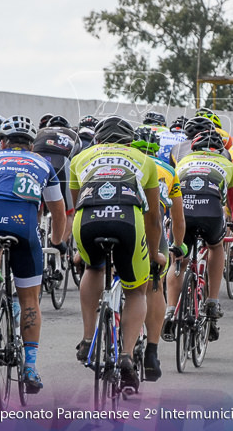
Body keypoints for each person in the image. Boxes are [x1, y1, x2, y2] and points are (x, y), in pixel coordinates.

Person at [71, 116, 164, 394]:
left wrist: (79, 251)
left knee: (93, 268)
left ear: (98, 140)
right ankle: (125, 355)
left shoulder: (81, 157)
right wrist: (155, 253)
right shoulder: (144, 159)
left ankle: (88, 338)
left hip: (87, 221)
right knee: (137, 290)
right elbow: (154, 218)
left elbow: (75, 204)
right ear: (128, 140)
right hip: (127, 221)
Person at [0, 115, 67, 394]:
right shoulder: (43, 164)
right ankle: (29, 367)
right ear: (31, 145)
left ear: (3, 141)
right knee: (29, 300)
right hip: (23, 226)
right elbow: (58, 211)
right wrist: (56, 240)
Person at [165, 130, 233, 342]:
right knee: (216, 247)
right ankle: (212, 300)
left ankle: (171, 309)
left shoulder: (182, 162)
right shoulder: (228, 165)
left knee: (179, 256)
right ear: (221, 150)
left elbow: (171, 195)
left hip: (184, 213)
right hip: (211, 212)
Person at [130, 126, 185, 381]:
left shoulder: (123, 162)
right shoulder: (168, 171)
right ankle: (152, 350)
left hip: (118, 225)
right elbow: (177, 217)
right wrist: (179, 245)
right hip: (153, 233)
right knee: (154, 285)